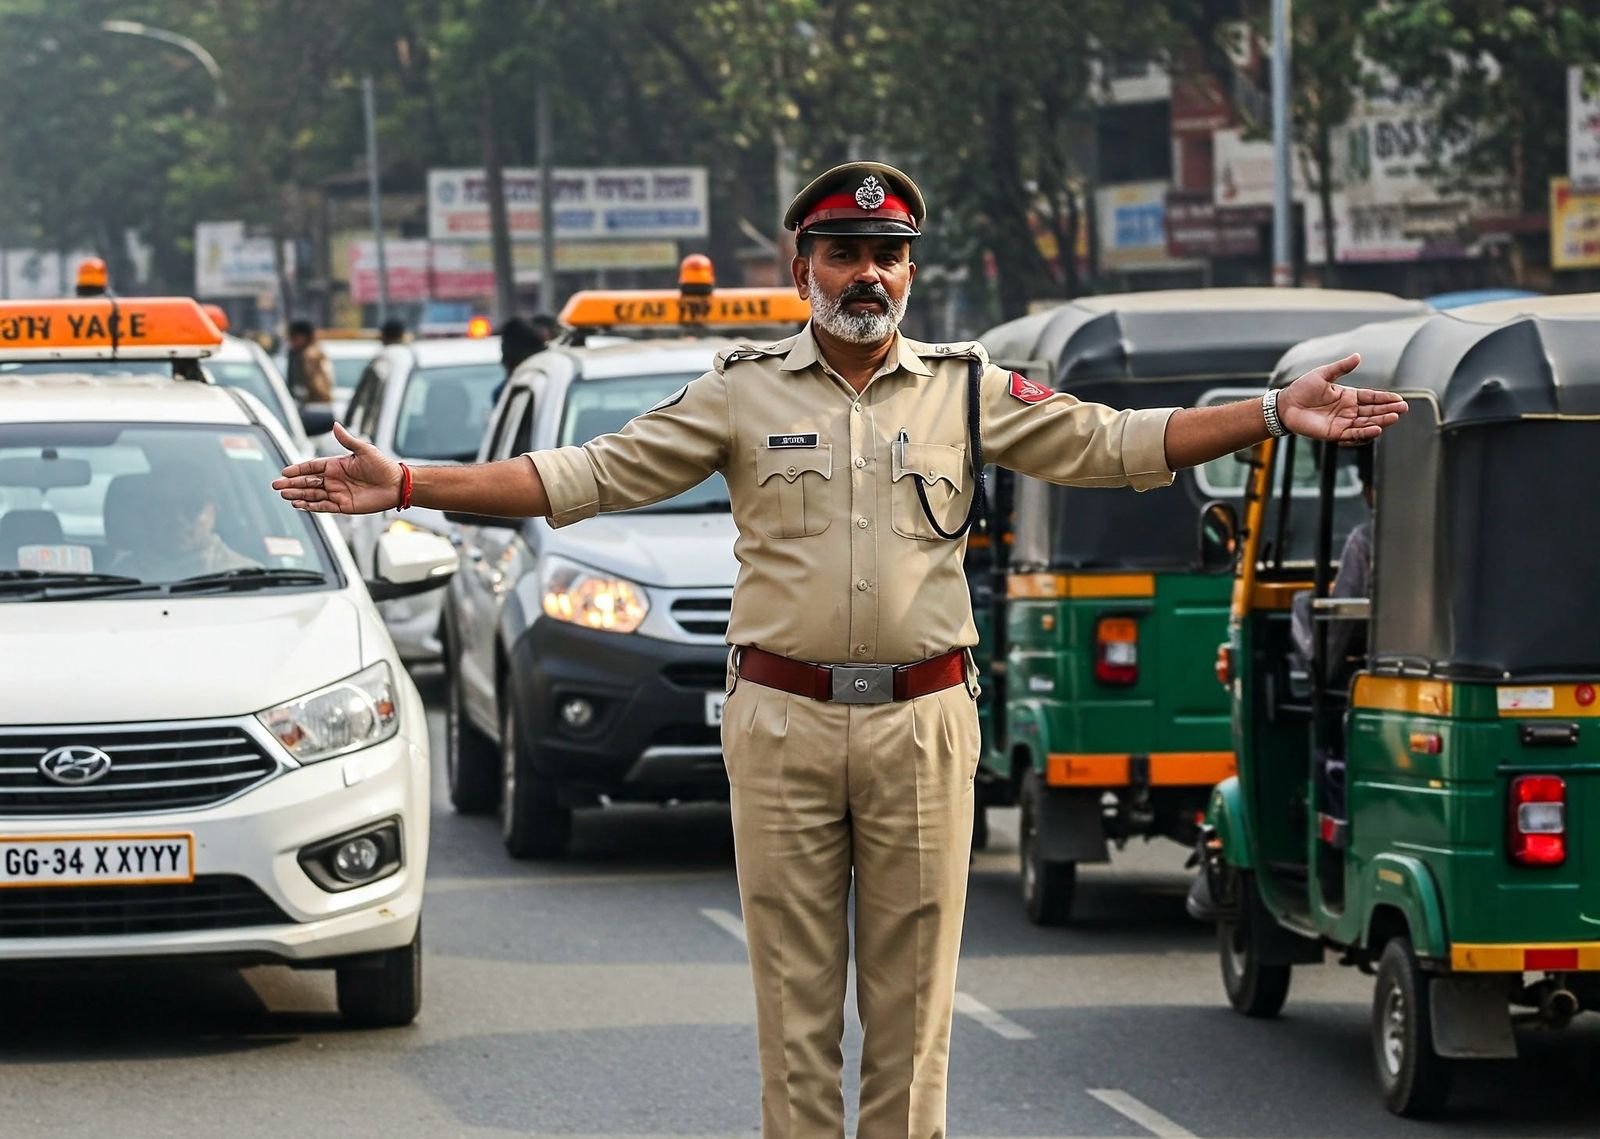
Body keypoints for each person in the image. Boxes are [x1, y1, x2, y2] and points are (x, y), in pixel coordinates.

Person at [274, 161, 1407, 1139]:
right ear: (801, 265)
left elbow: (1115, 442)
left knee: (913, 1024)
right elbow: (585, 475)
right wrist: (410, 482)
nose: (870, 274)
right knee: (796, 1012)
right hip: (783, 727)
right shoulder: (739, 392)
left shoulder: (967, 390)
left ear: (910, 271)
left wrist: (1271, 411)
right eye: (846, 253)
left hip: (923, 723)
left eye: (888, 256)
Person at [1292, 445, 1375, 669]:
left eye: (1366, 485)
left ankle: (1319, 672)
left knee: (1302, 603)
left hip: (1377, 651)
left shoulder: (1365, 539)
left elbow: (1345, 607)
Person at [116, 466, 258, 582]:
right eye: (164, 506)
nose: (178, 518)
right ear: (148, 512)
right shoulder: (119, 578)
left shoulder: (248, 579)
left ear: (214, 510)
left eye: (193, 505)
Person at [284, 319, 334, 406]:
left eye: (294, 337)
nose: (290, 340)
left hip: (313, 406)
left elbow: (320, 388)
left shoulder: (311, 356)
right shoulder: (295, 353)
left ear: (305, 337)